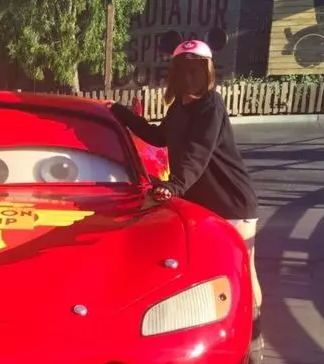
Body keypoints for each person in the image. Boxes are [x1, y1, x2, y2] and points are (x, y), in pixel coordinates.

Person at [106, 39, 263, 317]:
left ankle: (254, 331)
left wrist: (175, 185)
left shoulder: (211, 106)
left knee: (242, 271)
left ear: (208, 72)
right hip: (202, 204)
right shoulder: (178, 107)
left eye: (196, 70)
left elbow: (198, 152)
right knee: (209, 273)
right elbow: (157, 136)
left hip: (231, 201)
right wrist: (119, 112)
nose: (190, 76)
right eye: (183, 70)